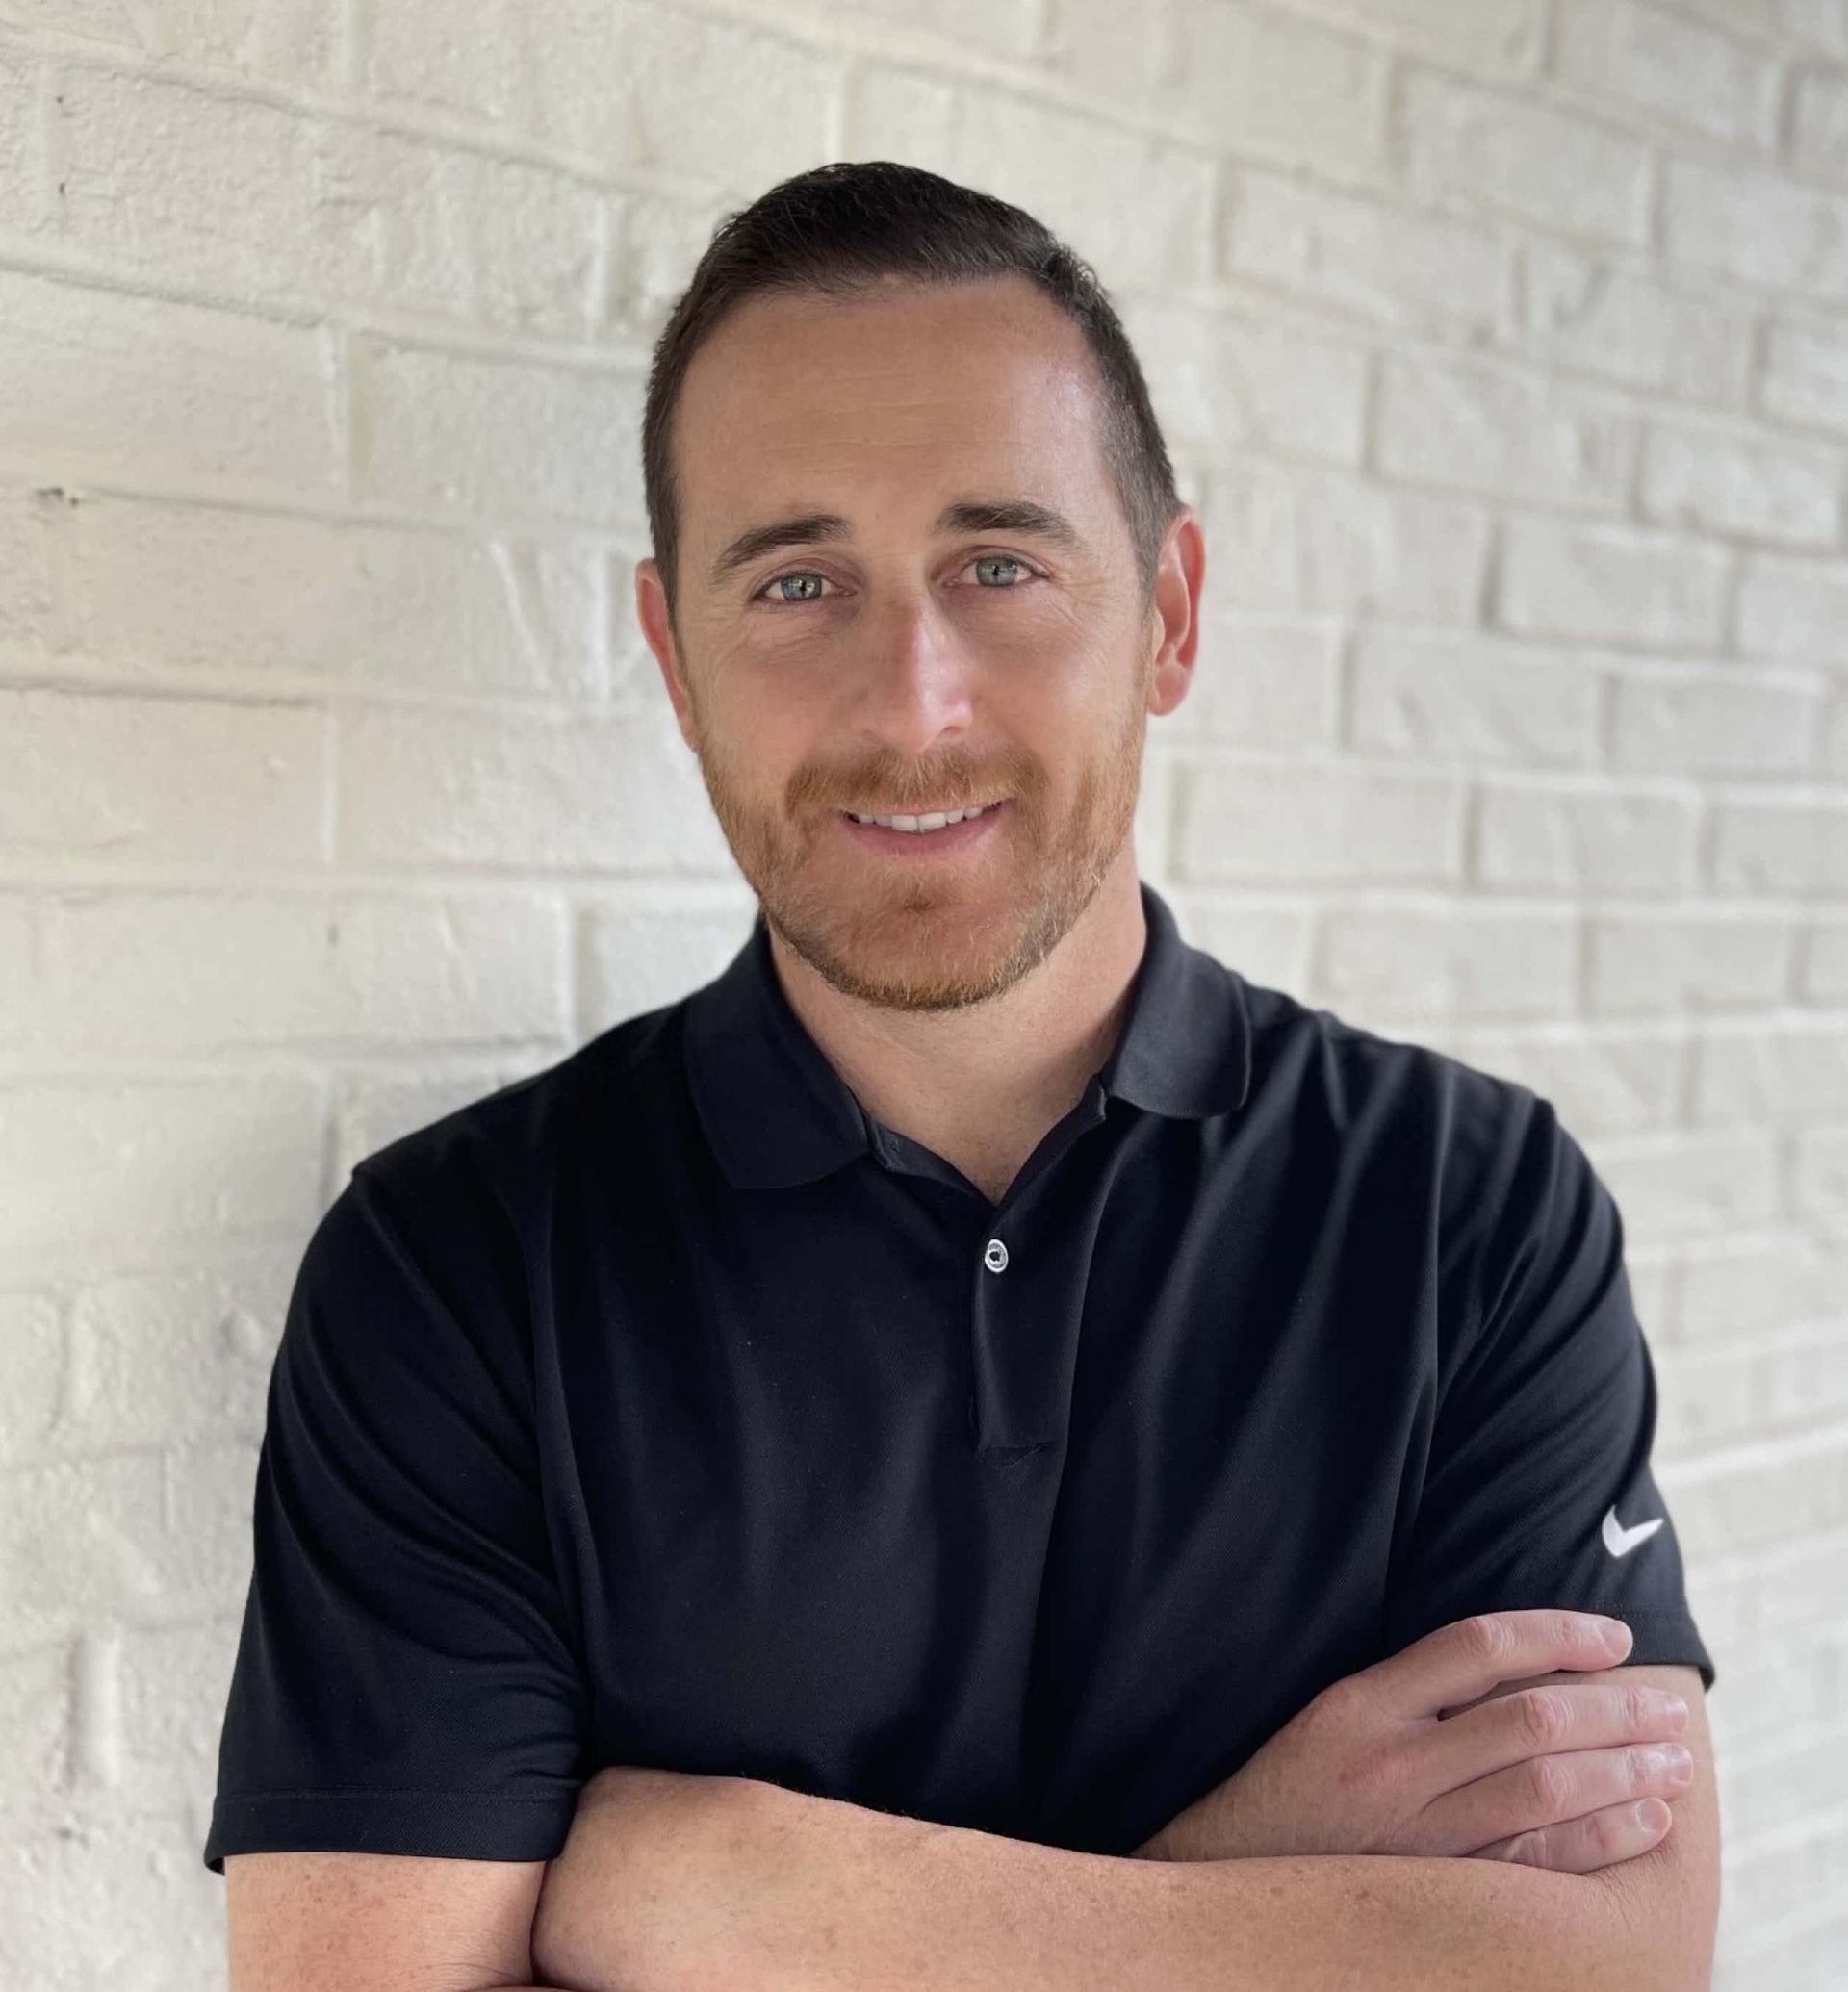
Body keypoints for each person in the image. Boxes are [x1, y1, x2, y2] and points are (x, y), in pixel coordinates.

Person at [206, 161, 1718, 1988]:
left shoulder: (1471, 1206)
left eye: (999, 564)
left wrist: (745, 1890)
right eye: (798, 581)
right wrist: (1252, 1877)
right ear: (675, 658)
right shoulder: (453, 1269)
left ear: (1169, 612)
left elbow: (1616, 1960)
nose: (912, 702)